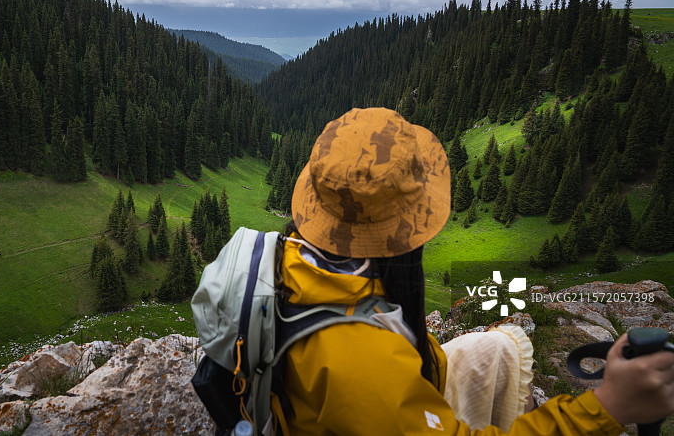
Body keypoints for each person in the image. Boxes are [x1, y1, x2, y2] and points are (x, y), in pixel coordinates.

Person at [281, 107, 674, 435]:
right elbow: (371, 371)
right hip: (374, 397)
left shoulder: (305, 259)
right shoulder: (360, 357)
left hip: (372, 400)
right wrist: (609, 406)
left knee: (497, 349)